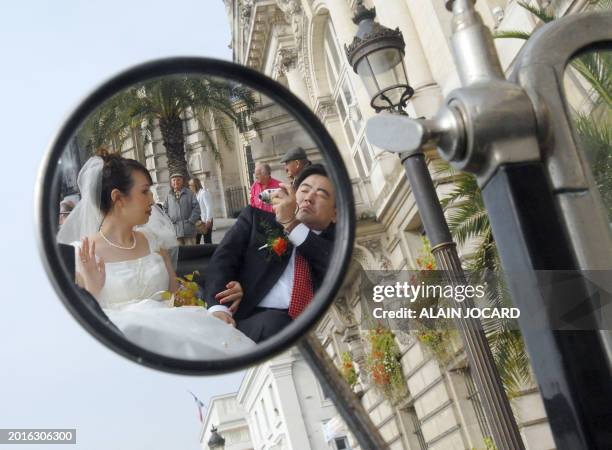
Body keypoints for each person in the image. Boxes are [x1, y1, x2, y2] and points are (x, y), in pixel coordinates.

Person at [57, 151, 255, 359]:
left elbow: (176, 295)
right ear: (118, 198)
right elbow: (82, 334)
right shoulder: (81, 254)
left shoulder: (153, 241)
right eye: (145, 192)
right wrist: (92, 291)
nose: (152, 200)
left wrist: (219, 300)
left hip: (182, 333)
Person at [205, 164, 336, 343]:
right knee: (275, 324)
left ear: (335, 214)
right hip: (252, 322)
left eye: (321, 194)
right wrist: (219, 310)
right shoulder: (256, 221)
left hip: (316, 333)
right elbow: (222, 261)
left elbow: (332, 264)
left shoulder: (337, 247)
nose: (309, 198)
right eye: (304, 190)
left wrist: (291, 224)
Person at [164, 173, 200, 246]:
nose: (176, 182)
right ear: (171, 183)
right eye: (174, 180)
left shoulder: (189, 193)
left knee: (191, 252)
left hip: (188, 230)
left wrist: (191, 221)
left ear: (182, 181)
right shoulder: (168, 195)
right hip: (175, 231)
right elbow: (165, 210)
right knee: (179, 254)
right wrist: (170, 221)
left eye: (178, 180)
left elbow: (197, 208)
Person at [189, 177, 214, 244]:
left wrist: (208, 220)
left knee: (207, 240)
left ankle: (210, 253)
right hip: (198, 220)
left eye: (190, 185)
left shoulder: (204, 193)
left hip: (206, 219)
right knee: (196, 240)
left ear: (195, 185)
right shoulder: (195, 194)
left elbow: (209, 207)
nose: (189, 187)